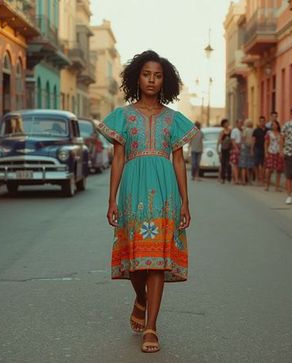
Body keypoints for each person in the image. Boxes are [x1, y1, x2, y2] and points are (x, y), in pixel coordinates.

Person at [96, 50, 195, 354]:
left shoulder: (174, 119)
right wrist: (112, 199)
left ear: (165, 80)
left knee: (157, 261)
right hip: (132, 191)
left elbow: (178, 161)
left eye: (158, 75)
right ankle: (141, 298)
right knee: (135, 260)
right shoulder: (123, 116)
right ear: (136, 77)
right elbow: (118, 158)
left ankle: (151, 326)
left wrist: (185, 202)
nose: (152, 80)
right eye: (146, 74)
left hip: (164, 191)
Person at [264, 120, 283, 192]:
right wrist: (265, 152)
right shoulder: (268, 133)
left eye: (275, 125)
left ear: (278, 125)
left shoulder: (280, 134)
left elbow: (281, 143)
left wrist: (281, 152)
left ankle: (277, 187)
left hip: (278, 153)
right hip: (270, 152)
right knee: (269, 169)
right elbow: (266, 143)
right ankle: (267, 185)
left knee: (279, 170)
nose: (273, 126)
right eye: (272, 125)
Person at [252, 116, 267, 186]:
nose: (262, 122)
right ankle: (258, 178)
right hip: (257, 148)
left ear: (265, 122)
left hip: (265, 149)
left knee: (263, 165)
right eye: (261, 121)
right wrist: (252, 149)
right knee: (256, 164)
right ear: (259, 122)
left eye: (263, 121)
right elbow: (253, 140)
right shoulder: (256, 130)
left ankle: (262, 179)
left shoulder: (267, 130)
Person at [217, 119, 232, 184]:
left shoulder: (231, 131)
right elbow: (219, 141)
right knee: (223, 163)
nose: (227, 124)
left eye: (227, 123)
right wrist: (218, 149)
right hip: (223, 149)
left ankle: (229, 178)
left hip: (229, 149)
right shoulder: (222, 132)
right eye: (226, 123)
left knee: (229, 164)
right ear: (223, 124)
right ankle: (223, 178)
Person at [230, 119, 243, 184]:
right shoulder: (234, 130)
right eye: (240, 123)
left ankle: (235, 178)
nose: (241, 124)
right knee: (235, 164)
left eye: (241, 123)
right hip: (236, 148)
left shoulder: (241, 131)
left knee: (239, 164)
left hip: (241, 147)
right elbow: (233, 140)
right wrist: (236, 148)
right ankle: (236, 179)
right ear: (237, 123)